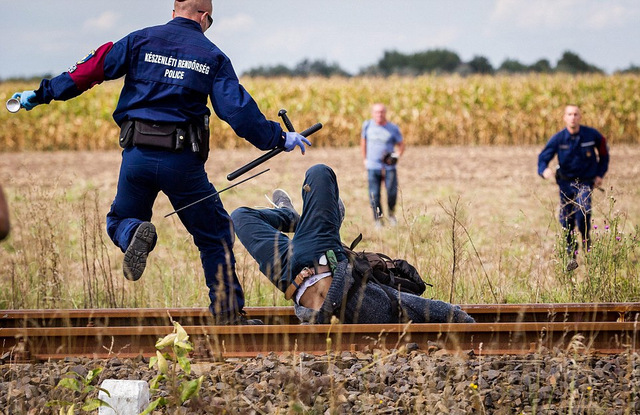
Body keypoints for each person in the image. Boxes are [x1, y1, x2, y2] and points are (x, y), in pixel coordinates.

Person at [10, 0, 311, 325]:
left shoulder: (139, 40)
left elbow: (89, 71)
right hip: (182, 163)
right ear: (205, 17)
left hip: (137, 155)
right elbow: (237, 112)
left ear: (173, 11)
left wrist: (42, 94)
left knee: (121, 218)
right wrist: (278, 138)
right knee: (214, 236)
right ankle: (227, 317)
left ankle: (133, 232)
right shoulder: (212, 56)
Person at [231, 164, 475, 324]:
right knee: (319, 172)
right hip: (321, 255)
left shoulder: (378, 312)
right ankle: (301, 221)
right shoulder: (384, 301)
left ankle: (295, 217)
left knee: (240, 216)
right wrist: (465, 320)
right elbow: (432, 308)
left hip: (289, 275)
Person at [538, 105, 609, 271]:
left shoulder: (592, 136)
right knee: (566, 220)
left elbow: (604, 154)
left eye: (576, 114)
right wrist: (544, 170)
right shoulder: (558, 139)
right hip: (565, 184)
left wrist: (600, 174)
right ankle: (571, 255)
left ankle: (586, 243)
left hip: (585, 183)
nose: (572, 117)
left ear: (580, 117)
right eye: (569, 114)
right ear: (564, 117)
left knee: (583, 212)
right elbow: (543, 158)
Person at [361, 103, 405, 227]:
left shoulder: (392, 128)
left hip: (389, 167)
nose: (379, 115)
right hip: (373, 166)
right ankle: (378, 220)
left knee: (391, 193)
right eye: (376, 112)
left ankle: (391, 215)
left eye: (381, 112)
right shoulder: (367, 126)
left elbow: (401, 145)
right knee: (374, 194)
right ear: (373, 114)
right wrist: (365, 159)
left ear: (385, 113)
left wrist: (397, 155)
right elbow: (363, 142)